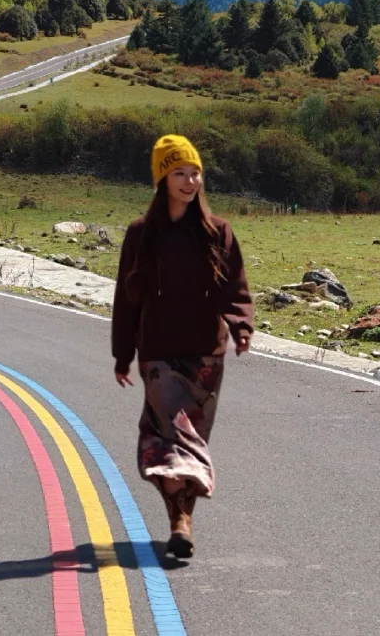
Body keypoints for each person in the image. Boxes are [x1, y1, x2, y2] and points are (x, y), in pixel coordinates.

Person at [111, 133, 253, 559]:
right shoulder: (140, 234)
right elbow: (127, 299)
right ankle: (180, 522)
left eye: (195, 173)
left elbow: (234, 286)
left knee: (191, 442)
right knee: (171, 438)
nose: (190, 181)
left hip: (206, 354)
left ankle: (182, 519)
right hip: (158, 354)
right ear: (162, 178)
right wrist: (123, 354)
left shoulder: (216, 231)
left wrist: (241, 327)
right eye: (179, 173)